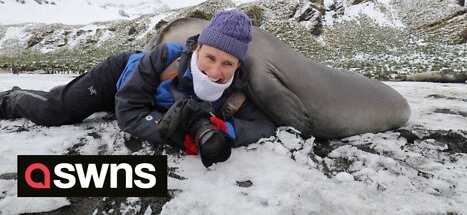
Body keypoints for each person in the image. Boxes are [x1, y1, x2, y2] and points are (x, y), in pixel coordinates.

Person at [0, 9, 277, 168]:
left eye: (227, 63)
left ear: (238, 65)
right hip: (117, 79)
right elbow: (129, 113)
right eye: (210, 58)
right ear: (198, 48)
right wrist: (174, 131)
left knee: (68, 98)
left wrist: (224, 129)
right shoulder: (166, 56)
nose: (216, 72)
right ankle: (11, 99)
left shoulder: (235, 93)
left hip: (145, 102)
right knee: (56, 110)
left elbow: (264, 125)